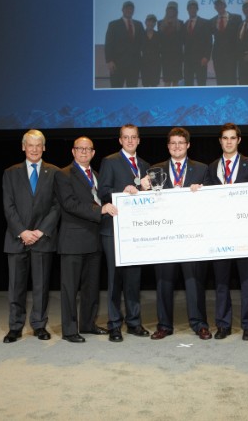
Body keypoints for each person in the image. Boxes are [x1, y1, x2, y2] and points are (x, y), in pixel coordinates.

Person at [143, 127, 213, 340]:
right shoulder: (155, 170)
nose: (177, 146)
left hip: (191, 235)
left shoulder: (201, 169)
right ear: (168, 146)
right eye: (173, 143)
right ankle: (164, 325)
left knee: (194, 280)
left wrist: (202, 192)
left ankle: (200, 324)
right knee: (163, 280)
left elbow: (211, 201)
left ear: (188, 145)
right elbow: (147, 202)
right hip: (164, 235)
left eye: (181, 143)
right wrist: (141, 187)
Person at [54, 137, 115, 343]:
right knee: (70, 288)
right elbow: (69, 204)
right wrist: (100, 210)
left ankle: (88, 324)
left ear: (93, 153)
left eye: (88, 149)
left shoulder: (97, 175)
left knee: (91, 287)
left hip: (94, 239)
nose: (83, 152)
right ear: (73, 151)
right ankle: (70, 330)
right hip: (73, 240)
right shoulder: (63, 174)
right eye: (80, 148)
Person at [2, 129, 60, 343]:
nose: (34, 149)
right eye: (30, 145)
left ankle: (39, 325)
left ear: (44, 148)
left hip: (42, 238)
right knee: (16, 286)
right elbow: (8, 206)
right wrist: (22, 232)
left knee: (41, 287)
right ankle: (15, 327)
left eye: (38, 145)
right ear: (23, 147)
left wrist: (40, 231)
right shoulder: (10, 173)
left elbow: (57, 206)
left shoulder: (54, 172)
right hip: (17, 238)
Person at [98, 124, 151, 342]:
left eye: (133, 137)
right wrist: (123, 191)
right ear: (120, 140)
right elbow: (103, 192)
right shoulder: (109, 161)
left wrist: (145, 189)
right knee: (115, 280)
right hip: (114, 229)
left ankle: (134, 322)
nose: (130, 141)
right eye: (126, 137)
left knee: (133, 279)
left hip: (135, 231)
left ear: (138, 140)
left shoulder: (145, 165)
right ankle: (114, 325)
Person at [207, 123, 248, 341]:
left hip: (245, 232)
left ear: (239, 140)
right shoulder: (211, 167)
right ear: (220, 141)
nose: (228, 142)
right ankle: (223, 324)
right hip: (220, 232)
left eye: (232, 138)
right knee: (221, 281)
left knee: (247, 280)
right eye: (225, 138)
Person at [105, 1, 145, 88]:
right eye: (127, 8)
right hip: (117, 65)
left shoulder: (139, 24)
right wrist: (109, 61)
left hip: (134, 65)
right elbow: (108, 43)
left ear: (133, 11)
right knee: (116, 90)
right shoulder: (113, 24)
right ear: (122, 10)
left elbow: (143, 43)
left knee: (132, 90)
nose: (129, 10)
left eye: (131, 9)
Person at [210, 0, 242, 85]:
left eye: (221, 4)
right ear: (215, 7)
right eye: (217, 5)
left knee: (231, 80)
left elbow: (241, 37)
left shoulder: (236, 18)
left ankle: (232, 94)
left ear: (225, 5)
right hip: (217, 56)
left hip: (232, 56)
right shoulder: (211, 21)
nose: (219, 6)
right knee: (220, 81)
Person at [183, 0, 213, 86]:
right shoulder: (185, 24)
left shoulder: (205, 23)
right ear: (187, 10)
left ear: (197, 9)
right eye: (190, 8)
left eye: (194, 8)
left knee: (201, 83)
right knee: (188, 84)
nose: (192, 10)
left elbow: (209, 41)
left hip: (201, 60)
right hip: (188, 61)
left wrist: (206, 57)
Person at [158, 1, 184, 86]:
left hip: (177, 57)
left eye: (173, 9)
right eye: (170, 9)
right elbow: (159, 41)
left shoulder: (180, 23)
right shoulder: (160, 23)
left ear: (176, 11)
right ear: (166, 10)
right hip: (165, 57)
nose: (171, 11)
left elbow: (182, 41)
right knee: (167, 81)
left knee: (176, 80)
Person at [141, 14, 161, 87]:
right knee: (145, 86)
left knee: (154, 86)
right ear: (145, 22)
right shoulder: (140, 35)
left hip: (156, 65)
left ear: (155, 24)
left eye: (153, 22)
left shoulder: (159, 35)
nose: (151, 23)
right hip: (144, 65)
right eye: (149, 21)